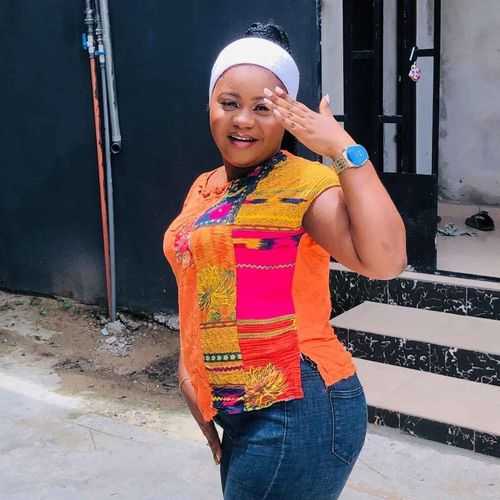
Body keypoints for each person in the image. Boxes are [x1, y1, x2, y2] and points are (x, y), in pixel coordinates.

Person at [163, 22, 406, 500]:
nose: (243, 120)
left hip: (299, 407)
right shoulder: (205, 187)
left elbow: (385, 261)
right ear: (209, 105)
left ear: (287, 116)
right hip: (237, 407)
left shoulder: (306, 184)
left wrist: (343, 150)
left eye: (263, 107)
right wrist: (189, 372)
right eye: (229, 103)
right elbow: (197, 287)